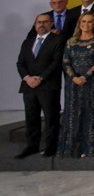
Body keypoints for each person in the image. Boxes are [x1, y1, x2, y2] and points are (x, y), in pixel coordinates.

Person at [16, 14, 64, 159]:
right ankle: (32, 146)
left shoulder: (58, 40)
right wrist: (27, 78)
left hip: (48, 85)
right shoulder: (27, 42)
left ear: (51, 24)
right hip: (29, 86)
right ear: (35, 24)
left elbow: (56, 63)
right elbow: (20, 63)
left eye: (45, 22)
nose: (41, 25)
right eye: (39, 22)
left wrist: (41, 78)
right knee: (31, 118)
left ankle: (51, 147)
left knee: (51, 118)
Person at [57, 11, 94, 157]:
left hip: (91, 84)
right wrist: (73, 77)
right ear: (79, 23)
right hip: (73, 84)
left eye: (90, 22)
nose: (86, 25)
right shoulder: (71, 41)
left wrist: (86, 76)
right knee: (72, 114)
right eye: (83, 22)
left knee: (89, 112)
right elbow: (65, 62)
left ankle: (89, 147)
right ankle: (72, 148)